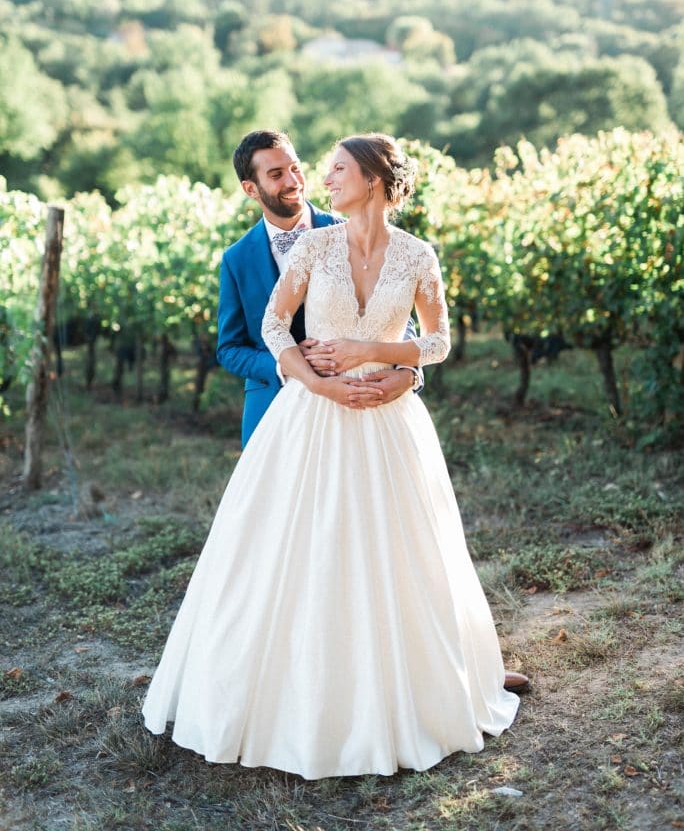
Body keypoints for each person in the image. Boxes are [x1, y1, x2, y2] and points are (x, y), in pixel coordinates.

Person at [142, 133, 521, 778]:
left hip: (388, 420)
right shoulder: (312, 249)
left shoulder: (417, 255)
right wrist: (316, 379)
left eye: (333, 169)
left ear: (372, 180)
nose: (317, 180)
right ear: (253, 184)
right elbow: (267, 327)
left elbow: (438, 341)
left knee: (400, 551)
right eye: (293, 171)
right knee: (300, 551)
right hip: (310, 417)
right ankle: (298, 696)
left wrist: (388, 364)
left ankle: (419, 681)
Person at [215, 129, 416, 447]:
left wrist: (408, 372)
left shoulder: (349, 229)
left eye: (295, 168)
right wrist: (287, 363)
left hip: (356, 400)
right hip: (271, 404)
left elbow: (401, 316)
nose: (293, 182)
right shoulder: (236, 259)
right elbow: (229, 348)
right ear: (251, 188)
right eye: (277, 175)